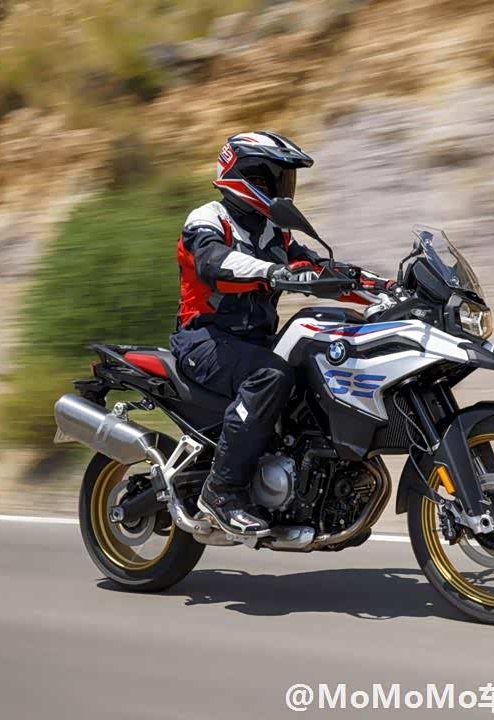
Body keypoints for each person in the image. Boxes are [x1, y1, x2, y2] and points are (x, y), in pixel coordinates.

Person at [170, 131, 389, 536]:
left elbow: (322, 272)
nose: (284, 189)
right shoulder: (207, 219)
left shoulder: (275, 234)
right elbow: (212, 262)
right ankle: (222, 491)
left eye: (286, 180)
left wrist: (387, 289)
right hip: (203, 340)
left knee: (321, 367)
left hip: (253, 343)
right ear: (245, 176)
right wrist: (274, 272)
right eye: (274, 179)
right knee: (270, 376)